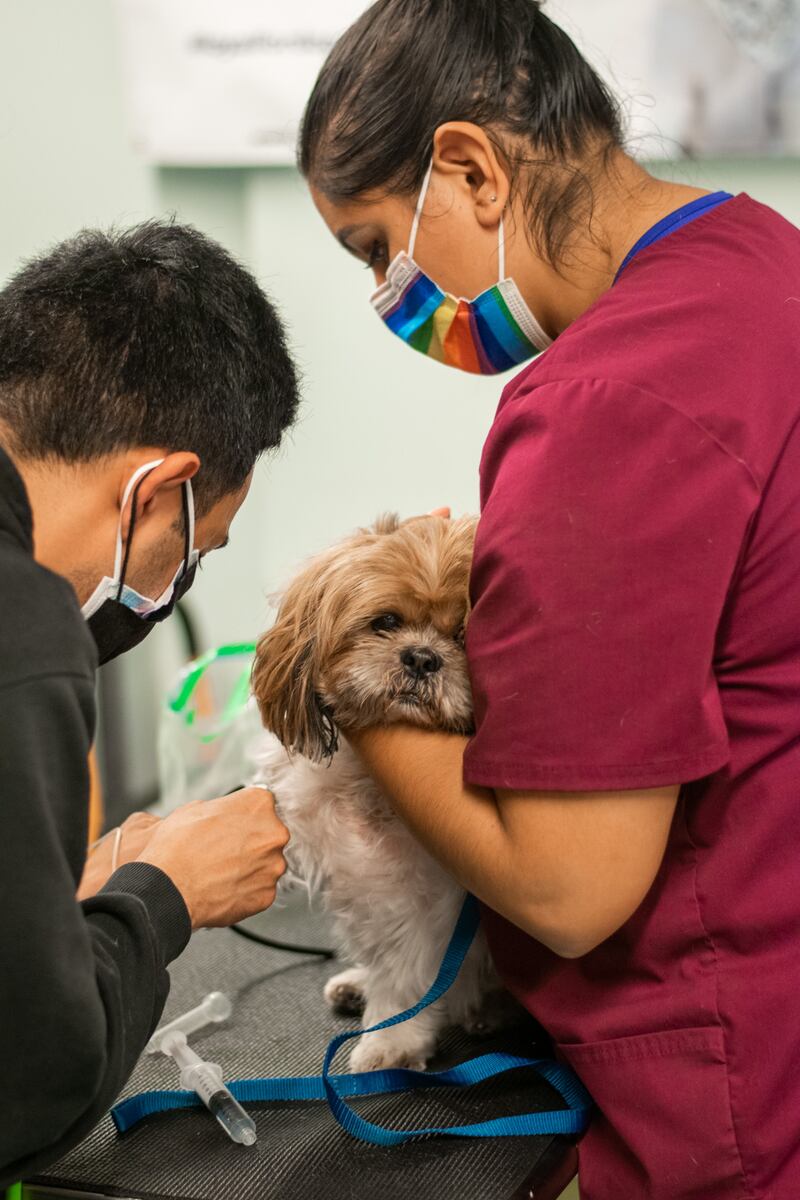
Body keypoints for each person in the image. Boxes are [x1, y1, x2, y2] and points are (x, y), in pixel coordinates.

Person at [297, 1, 800, 1197]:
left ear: (468, 168)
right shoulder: (760, 262)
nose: (388, 295)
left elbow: (569, 890)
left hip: (721, 1086)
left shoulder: (600, 409)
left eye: (376, 248)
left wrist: (344, 673)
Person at [0, 220, 296, 1186]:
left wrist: (54, 906)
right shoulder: (23, 629)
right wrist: (164, 893)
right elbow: (29, 1085)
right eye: (195, 549)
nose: (177, 585)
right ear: (155, 489)